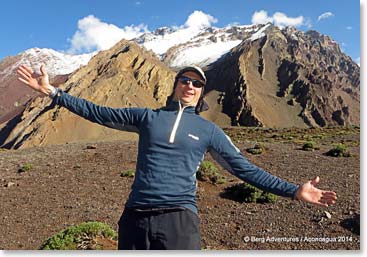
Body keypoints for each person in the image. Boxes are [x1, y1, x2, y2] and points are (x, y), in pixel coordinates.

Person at [16, 64, 337, 250]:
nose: (190, 85)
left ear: (201, 93)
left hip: (179, 219)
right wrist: (54, 93)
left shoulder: (209, 131)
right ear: (175, 86)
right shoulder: (147, 117)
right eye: (185, 79)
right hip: (134, 218)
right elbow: (100, 113)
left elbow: (243, 168)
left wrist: (294, 190)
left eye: (197, 83)